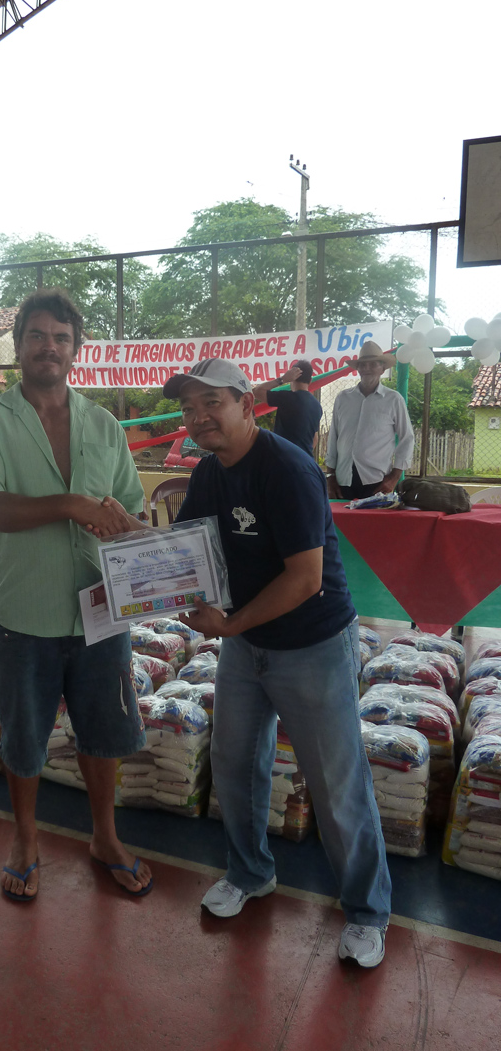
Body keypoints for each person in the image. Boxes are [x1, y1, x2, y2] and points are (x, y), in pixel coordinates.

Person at [163, 357, 391, 968]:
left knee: (336, 783)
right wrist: (124, 548)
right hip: (247, 645)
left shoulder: (288, 468)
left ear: (247, 404)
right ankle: (249, 872)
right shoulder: (208, 473)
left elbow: (306, 579)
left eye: (212, 402)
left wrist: (229, 624)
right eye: (189, 408)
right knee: (234, 763)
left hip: (313, 643)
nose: (199, 417)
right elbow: (180, 551)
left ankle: (367, 911)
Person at [0, 288, 152, 902]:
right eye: (38, 336)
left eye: (61, 338)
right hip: (27, 612)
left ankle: (105, 836)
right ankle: (25, 838)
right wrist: (71, 504)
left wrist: (158, 547)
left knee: (103, 731)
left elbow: (130, 509)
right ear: (18, 346)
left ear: (76, 350)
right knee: (24, 737)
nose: (50, 346)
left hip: (102, 610)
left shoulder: (103, 424)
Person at [325, 340, 414, 501]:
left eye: (373, 364)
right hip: (342, 479)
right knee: (340, 517)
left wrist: (394, 478)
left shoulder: (393, 399)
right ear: (357, 368)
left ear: (382, 369)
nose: (367, 369)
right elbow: (333, 437)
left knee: (373, 518)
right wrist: (330, 476)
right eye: (363, 365)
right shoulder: (343, 398)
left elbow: (407, 438)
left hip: (377, 481)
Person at [252, 359, 322, 456]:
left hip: (285, 457)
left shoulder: (286, 398)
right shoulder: (317, 406)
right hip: (305, 459)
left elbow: (256, 391)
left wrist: (282, 379)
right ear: (310, 380)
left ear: (292, 378)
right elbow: (315, 438)